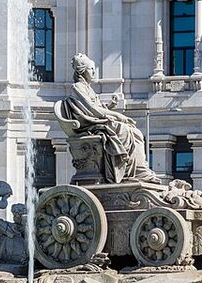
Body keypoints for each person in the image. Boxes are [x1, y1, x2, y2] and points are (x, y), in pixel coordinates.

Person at [57, 53, 160, 184]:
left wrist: (110, 106)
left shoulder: (88, 88)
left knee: (136, 132)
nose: (94, 72)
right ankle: (127, 169)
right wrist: (118, 115)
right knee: (123, 130)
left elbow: (97, 108)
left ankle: (139, 169)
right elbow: (92, 110)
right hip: (90, 125)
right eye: (91, 69)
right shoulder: (78, 87)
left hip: (96, 121)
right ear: (82, 71)